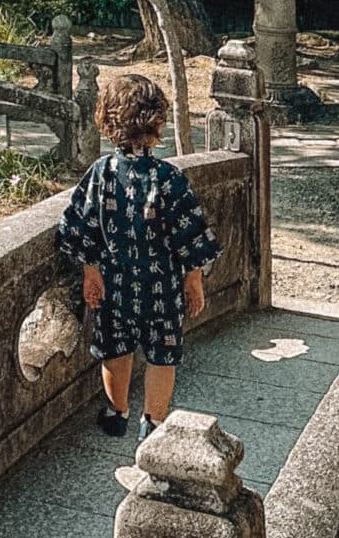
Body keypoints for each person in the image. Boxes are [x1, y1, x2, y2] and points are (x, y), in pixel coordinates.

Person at [57, 70, 221, 439]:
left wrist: (90, 272)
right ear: (157, 123)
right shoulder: (168, 177)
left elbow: (81, 226)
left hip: (115, 283)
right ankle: (154, 421)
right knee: (163, 355)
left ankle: (118, 412)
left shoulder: (101, 173)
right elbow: (190, 232)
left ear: (107, 121)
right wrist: (193, 278)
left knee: (115, 350)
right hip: (161, 286)